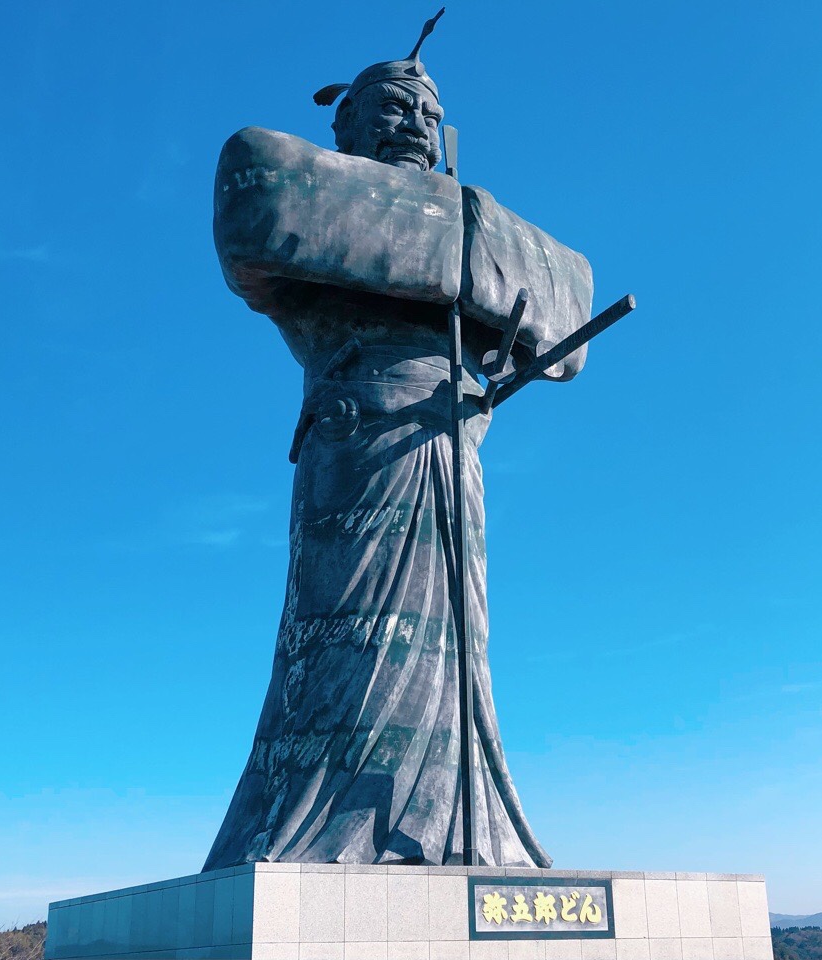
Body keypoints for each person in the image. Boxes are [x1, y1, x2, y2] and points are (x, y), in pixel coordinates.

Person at [203, 13, 556, 869]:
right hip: (357, 440)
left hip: (450, 450)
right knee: (344, 635)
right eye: (394, 107)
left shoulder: (462, 209)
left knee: (456, 643)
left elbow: (565, 290)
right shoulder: (304, 191)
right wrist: (463, 237)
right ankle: (322, 826)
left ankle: (458, 823)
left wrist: (467, 235)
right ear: (347, 124)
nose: (416, 126)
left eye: (430, 116)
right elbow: (254, 196)